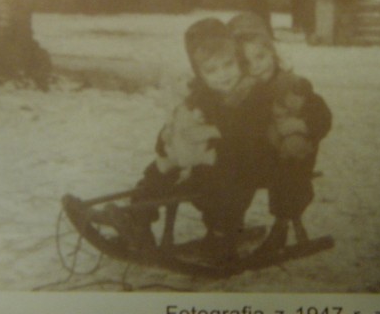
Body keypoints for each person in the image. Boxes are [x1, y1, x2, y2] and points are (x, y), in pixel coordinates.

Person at [109, 17, 265, 261]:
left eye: (228, 64)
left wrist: (216, 131)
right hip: (200, 161)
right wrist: (167, 139)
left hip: (240, 165)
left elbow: (255, 130)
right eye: (211, 70)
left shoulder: (250, 92)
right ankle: (138, 219)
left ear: (239, 61)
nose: (223, 75)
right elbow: (181, 121)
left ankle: (222, 235)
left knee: (221, 188)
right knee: (158, 171)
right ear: (199, 72)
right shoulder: (200, 95)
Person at [227, 12, 332, 254]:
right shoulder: (242, 90)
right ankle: (227, 225)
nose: (256, 66)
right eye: (245, 63)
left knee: (289, 174)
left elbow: (322, 115)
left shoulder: (292, 85)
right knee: (228, 171)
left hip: (290, 154)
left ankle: (281, 225)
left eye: (261, 57)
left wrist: (302, 125)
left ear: (272, 52)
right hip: (257, 157)